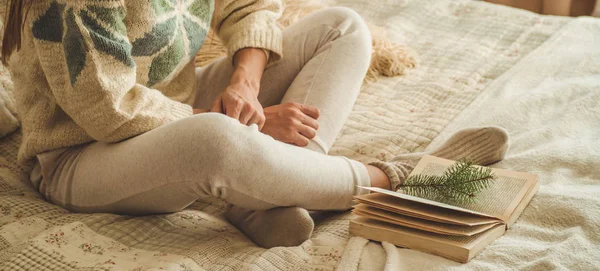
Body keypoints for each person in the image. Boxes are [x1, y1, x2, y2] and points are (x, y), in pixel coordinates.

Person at [2, 0, 509, 248]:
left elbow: (249, 6)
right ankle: (399, 179)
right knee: (218, 142)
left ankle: (270, 187)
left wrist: (245, 82)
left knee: (343, 27)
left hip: (182, 102)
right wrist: (254, 125)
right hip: (81, 155)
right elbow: (109, 111)